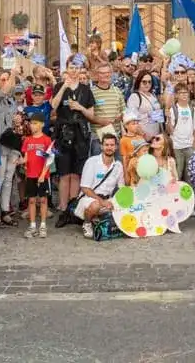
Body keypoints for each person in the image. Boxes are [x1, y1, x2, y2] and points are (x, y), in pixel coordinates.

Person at [51, 62, 95, 227]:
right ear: (67, 69)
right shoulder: (59, 86)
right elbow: (53, 106)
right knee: (64, 174)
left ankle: (72, 207)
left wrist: (80, 107)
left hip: (80, 134)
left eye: (77, 68)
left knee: (76, 174)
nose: (74, 71)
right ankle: (63, 208)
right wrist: (64, 88)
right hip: (63, 133)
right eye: (71, 67)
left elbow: (91, 113)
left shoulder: (85, 89)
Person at [74, 133, 124, 239]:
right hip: (89, 198)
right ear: (101, 146)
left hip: (108, 199)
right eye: (106, 145)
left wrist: (118, 201)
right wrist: (102, 202)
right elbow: (85, 188)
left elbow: (121, 187)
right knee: (96, 205)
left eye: (112, 145)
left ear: (116, 147)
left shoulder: (118, 165)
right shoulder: (91, 162)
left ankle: (98, 219)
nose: (109, 148)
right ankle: (87, 223)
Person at [20, 114, 53, 238]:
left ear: (42, 124)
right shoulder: (27, 140)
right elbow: (26, 157)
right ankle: (32, 225)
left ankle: (43, 225)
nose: (32, 125)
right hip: (30, 175)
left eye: (35, 123)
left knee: (43, 199)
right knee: (32, 200)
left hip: (42, 175)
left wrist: (43, 174)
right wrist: (21, 161)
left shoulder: (47, 140)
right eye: (31, 123)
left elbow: (50, 159)